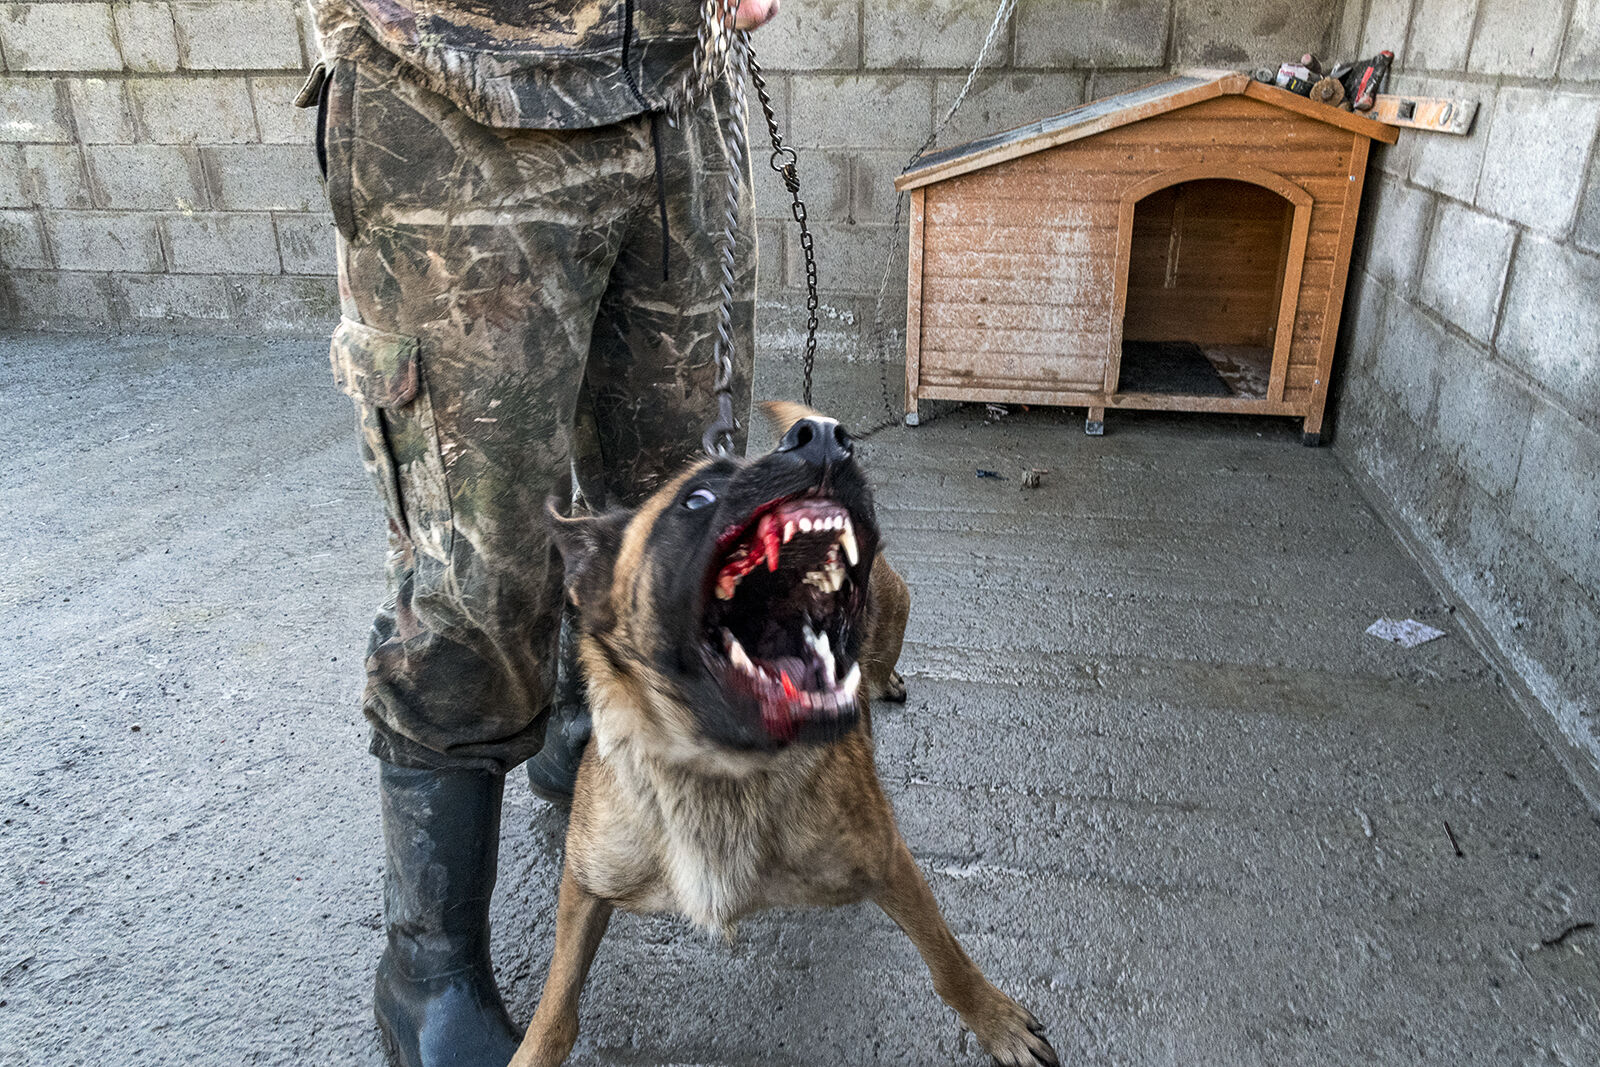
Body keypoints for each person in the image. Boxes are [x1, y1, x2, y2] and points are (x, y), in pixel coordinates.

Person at [299, 3, 780, 1064]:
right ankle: (428, 969)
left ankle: (581, 743)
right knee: (476, 572)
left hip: (679, 86)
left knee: (672, 519)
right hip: (453, 91)